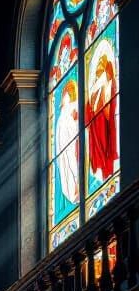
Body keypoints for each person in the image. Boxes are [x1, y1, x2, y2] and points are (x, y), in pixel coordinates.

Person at [86, 48, 117, 184]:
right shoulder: (96, 85)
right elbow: (90, 105)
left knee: (106, 144)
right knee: (99, 145)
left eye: (101, 64)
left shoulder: (108, 80)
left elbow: (110, 97)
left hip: (104, 118)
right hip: (96, 120)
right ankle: (103, 172)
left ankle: (108, 171)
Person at [55, 77, 80, 208]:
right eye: (64, 95)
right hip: (63, 144)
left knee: (72, 163)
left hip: (70, 141)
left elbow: (76, 123)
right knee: (64, 165)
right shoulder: (63, 111)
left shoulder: (73, 106)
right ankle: (72, 191)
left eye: (66, 94)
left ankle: (76, 188)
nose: (64, 98)